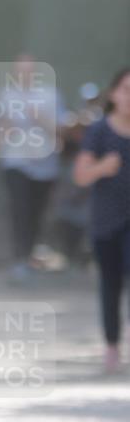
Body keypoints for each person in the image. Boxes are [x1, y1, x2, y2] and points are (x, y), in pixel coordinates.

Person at [73, 68, 130, 373]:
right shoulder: (99, 132)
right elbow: (80, 176)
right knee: (111, 285)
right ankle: (112, 346)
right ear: (115, 94)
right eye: (126, 89)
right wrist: (102, 168)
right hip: (106, 221)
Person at [0, 53, 68, 284]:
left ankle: (30, 257)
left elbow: (61, 131)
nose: (24, 75)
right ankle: (20, 260)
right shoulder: (6, 96)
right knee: (20, 209)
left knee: (37, 213)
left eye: (29, 71)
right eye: (20, 71)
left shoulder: (50, 95)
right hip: (16, 162)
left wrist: (40, 118)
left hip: (45, 166)